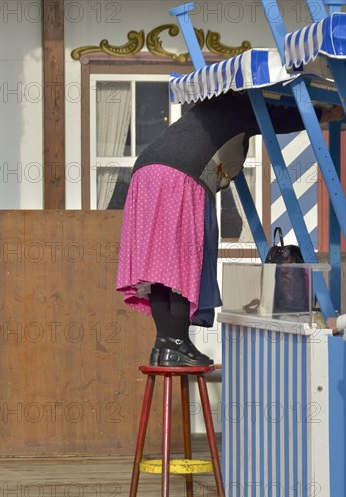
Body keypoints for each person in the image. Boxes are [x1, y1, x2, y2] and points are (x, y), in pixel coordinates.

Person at [116, 90, 343, 366]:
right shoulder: (241, 104)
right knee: (181, 262)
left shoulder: (208, 108)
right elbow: (278, 118)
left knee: (160, 269)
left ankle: (165, 343)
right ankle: (177, 343)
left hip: (146, 173)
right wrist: (326, 113)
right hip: (180, 175)